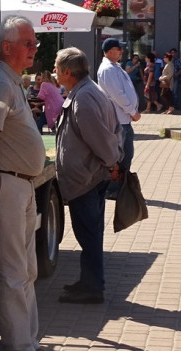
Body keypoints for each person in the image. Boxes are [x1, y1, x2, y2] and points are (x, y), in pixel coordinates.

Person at [0, 16, 66, 351]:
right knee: (13, 269)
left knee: (26, 268)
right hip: (4, 183)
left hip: (18, 183)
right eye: (28, 43)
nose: (34, 49)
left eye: (35, 43)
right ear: (7, 46)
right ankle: (18, 349)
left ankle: (29, 341)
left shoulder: (9, 80)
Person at [54, 47, 122, 304]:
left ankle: (93, 287)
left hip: (87, 179)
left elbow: (102, 138)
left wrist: (112, 162)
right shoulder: (86, 91)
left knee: (89, 235)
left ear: (67, 72)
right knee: (88, 234)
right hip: (88, 177)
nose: (54, 71)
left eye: (56, 67)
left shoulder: (84, 97)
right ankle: (89, 281)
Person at [96, 37, 140, 199]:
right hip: (118, 119)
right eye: (118, 48)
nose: (121, 51)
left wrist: (132, 111)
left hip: (124, 119)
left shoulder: (116, 67)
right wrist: (132, 111)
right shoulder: (107, 69)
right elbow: (117, 95)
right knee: (118, 156)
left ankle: (121, 186)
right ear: (109, 52)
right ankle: (112, 189)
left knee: (126, 154)